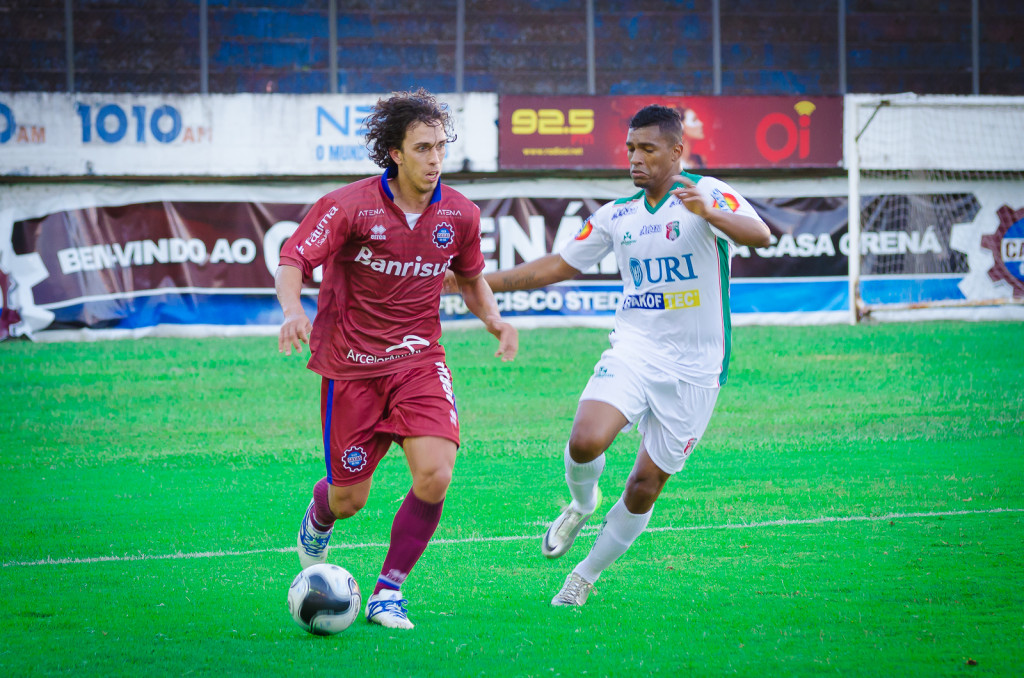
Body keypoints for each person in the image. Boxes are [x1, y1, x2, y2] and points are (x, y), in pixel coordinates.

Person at [456, 104, 770, 606]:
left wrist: (710, 213)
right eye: (630, 149)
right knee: (585, 442)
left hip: (695, 371)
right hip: (634, 350)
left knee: (645, 484)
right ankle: (581, 503)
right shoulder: (616, 216)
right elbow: (555, 267)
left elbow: (760, 235)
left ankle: (584, 575)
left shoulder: (706, 192)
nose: (636, 159)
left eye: (648, 149)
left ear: (675, 151)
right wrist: (469, 282)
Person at [275, 88, 517, 630]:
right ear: (395, 153)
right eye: (423, 148)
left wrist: (494, 320)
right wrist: (292, 309)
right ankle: (320, 513)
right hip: (352, 369)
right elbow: (294, 258)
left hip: (419, 363)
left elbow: (471, 276)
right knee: (348, 500)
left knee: (435, 475)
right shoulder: (348, 207)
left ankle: (389, 591)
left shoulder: (459, 213)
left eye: (440, 148)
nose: (435, 160)